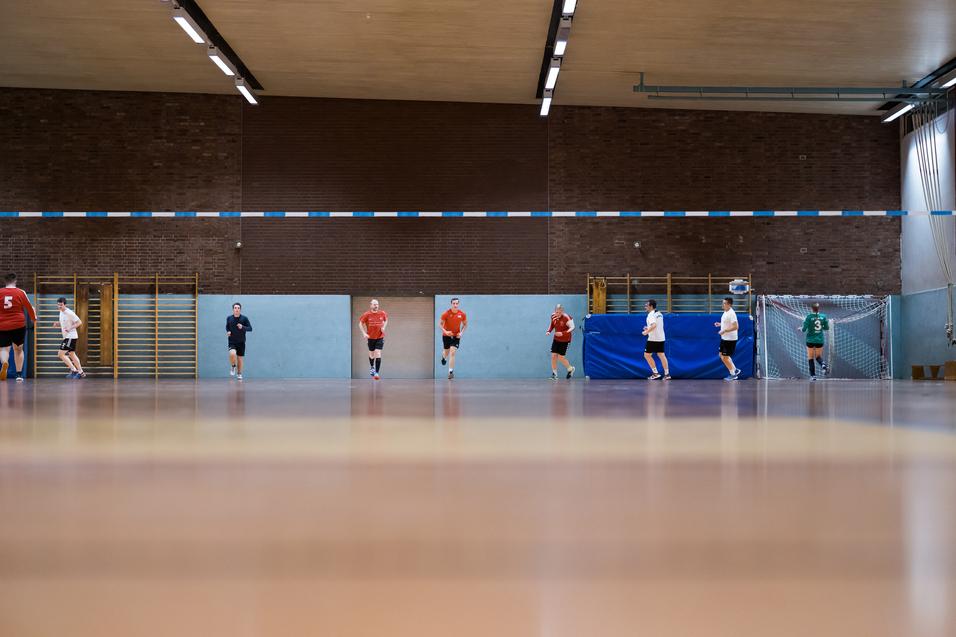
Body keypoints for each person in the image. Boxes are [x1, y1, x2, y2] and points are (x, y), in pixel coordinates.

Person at [0, 273, 37, 382]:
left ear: (5, 281)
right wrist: (33, 319)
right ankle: (19, 375)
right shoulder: (20, 292)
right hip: (18, 324)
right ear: (15, 281)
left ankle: (5, 363)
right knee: (18, 349)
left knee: (4, 348)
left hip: (2, 325)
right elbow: (29, 307)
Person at [53, 297, 86, 379]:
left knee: (60, 354)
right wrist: (58, 324)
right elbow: (64, 323)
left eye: (61, 305)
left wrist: (70, 328)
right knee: (72, 354)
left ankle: (74, 370)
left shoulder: (69, 313)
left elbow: (79, 322)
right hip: (68, 337)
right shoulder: (61, 312)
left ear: (65, 304)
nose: (59, 307)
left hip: (70, 336)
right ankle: (81, 372)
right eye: (58, 305)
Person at [359, 299, 388, 380]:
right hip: (370, 337)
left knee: (378, 353)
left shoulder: (382, 313)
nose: (376, 306)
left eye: (377, 304)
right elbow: (360, 323)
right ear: (371, 305)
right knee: (371, 354)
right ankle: (372, 367)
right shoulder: (366, 314)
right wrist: (364, 333)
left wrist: (383, 327)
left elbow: (386, 320)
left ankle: (377, 373)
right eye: (374, 304)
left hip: (380, 336)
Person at [800, 302, 831, 381]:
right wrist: (820, 327)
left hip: (810, 340)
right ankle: (823, 365)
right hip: (819, 340)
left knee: (810, 357)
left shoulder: (809, 317)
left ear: (811, 309)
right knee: (818, 356)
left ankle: (813, 376)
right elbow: (827, 328)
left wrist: (800, 328)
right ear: (818, 309)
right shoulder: (823, 316)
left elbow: (803, 330)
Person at [439, 298, 467, 380]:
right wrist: (446, 331)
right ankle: (443, 358)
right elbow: (440, 324)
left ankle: (450, 372)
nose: (455, 305)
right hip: (446, 335)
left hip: (456, 336)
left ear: (458, 304)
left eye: (456, 303)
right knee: (446, 352)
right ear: (451, 304)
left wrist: (461, 333)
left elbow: (465, 325)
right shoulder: (445, 313)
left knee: (453, 352)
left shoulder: (462, 314)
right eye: (453, 303)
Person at [641, 299, 670, 380]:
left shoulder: (651, 315)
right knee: (661, 355)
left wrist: (646, 332)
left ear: (651, 306)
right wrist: (648, 328)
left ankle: (655, 373)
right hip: (661, 338)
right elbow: (656, 326)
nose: (645, 307)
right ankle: (667, 374)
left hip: (653, 338)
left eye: (646, 305)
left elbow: (654, 325)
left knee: (647, 355)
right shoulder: (659, 314)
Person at [714, 296, 741, 381]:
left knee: (725, 357)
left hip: (730, 339)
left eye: (724, 303)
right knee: (721, 355)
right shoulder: (726, 312)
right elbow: (727, 323)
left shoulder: (731, 313)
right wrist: (720, 324)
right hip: (724, 338)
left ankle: (733, 374)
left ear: (729, 304)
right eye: (723, 303)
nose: (723, 305)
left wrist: (724, 330)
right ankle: (735, 370)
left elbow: (736, 327)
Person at [546, 303, 575, 380]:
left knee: (561, 357)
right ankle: (554, 374)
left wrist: (562, 333)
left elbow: (572, 327)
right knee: (553, 356)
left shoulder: (567, 318)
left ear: (562, 311)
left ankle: (570, 369)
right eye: (556, 312)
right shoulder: (553, 316)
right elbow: (552, 324)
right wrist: (549, 331)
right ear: (554, 311)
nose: (557, 314)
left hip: (565, 340)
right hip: (556, 339)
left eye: (559, 312)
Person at [226, 302, 252, 380]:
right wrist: (228, 331)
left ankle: (239, 374)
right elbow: (227, 327)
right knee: (232, 354)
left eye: (238, 308)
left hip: (241, 342)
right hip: (232, 341)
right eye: (235, 308)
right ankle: (233, 366)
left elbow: (250, 328)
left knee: (240, 359)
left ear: (240, 309)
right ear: (233, 309)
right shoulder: (229, 318)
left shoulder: (244, 318)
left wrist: (242, 327)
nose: (237, 309)